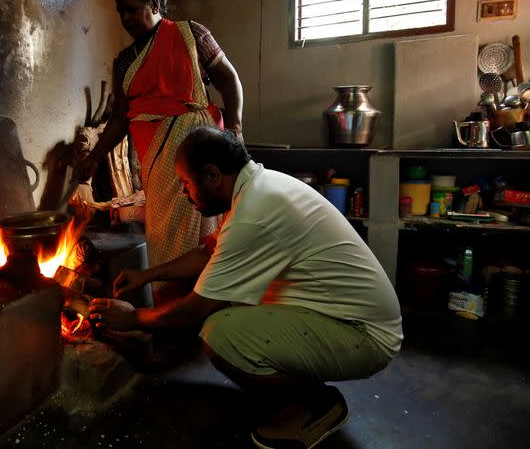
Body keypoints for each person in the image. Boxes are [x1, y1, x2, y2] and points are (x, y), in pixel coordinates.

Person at [89, 127, 403, 449]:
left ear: (211, 174)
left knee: (219, 332)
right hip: (346, 316)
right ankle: (296, 388)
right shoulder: (258, 188)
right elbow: (208, 252)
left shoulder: (253, 212)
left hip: (365, 336)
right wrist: (148, 275)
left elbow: (195, 310)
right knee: (232, 304)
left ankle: (318, 405)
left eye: (186, 183)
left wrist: (134, 318)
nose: (184, 193)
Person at [78, 0, 244, 304]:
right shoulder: (125, 62)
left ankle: (210, 307)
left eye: (132, 9)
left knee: (212, 234)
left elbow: (229, 80)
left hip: (202, 152)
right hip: (159, 165)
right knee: (165, 238)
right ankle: (172, 314)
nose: (125, 18)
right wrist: (95, 157)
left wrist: (236, 131)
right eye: (120, 12)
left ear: (154, 4)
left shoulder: (191, 34)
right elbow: (121, 118)